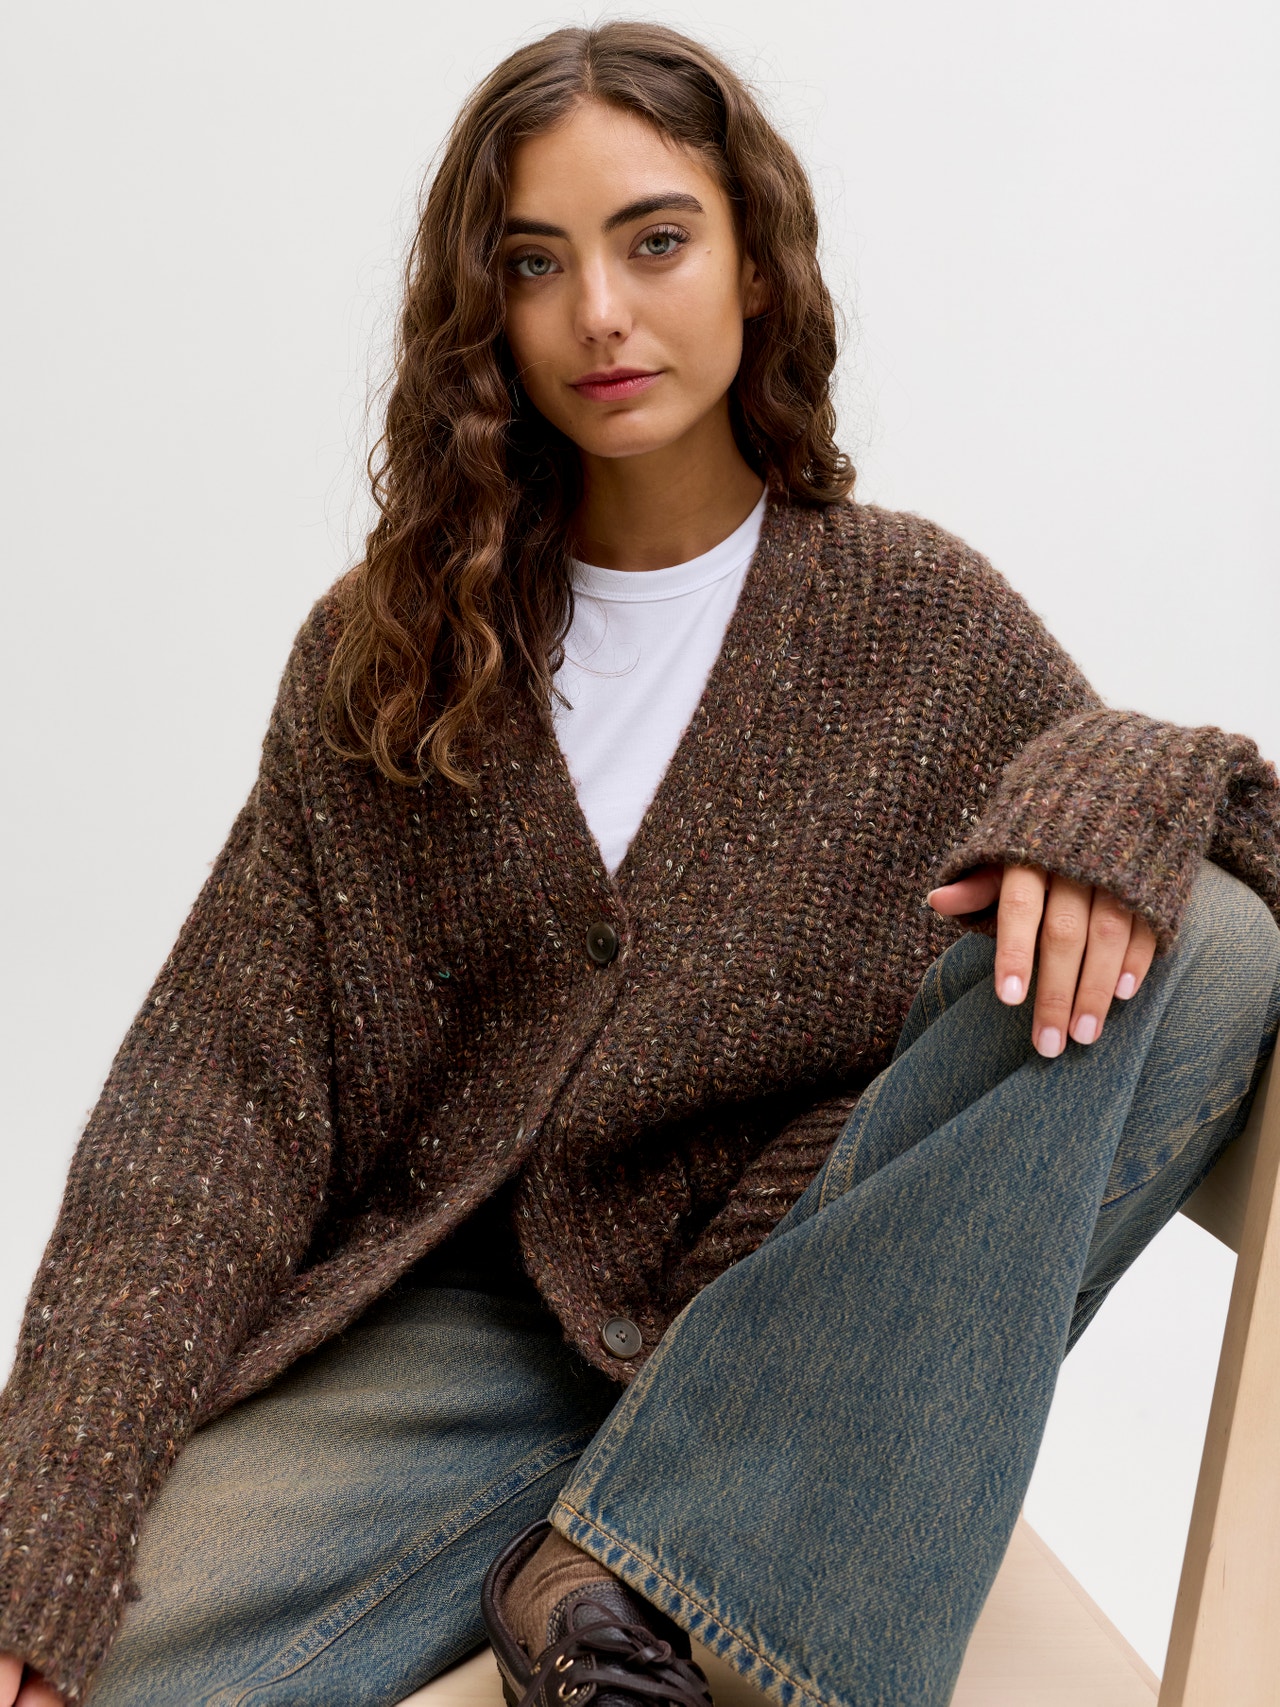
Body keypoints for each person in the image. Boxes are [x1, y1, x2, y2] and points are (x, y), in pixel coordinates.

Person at [2, 20, 1278, 1707]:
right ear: (485, 315)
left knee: (1210, 939)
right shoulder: (391, 655)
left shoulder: (918, 623)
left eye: (656, 240)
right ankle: (646, 1551)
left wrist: (1132, 769)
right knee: (86, 1664)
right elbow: (212, 1109)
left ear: (757, 262)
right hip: (454, 1356)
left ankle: (645, 1570)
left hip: (791, 1312)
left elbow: (1247, 865)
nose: (599, 312)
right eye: (536, 264)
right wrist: (49, 1521)